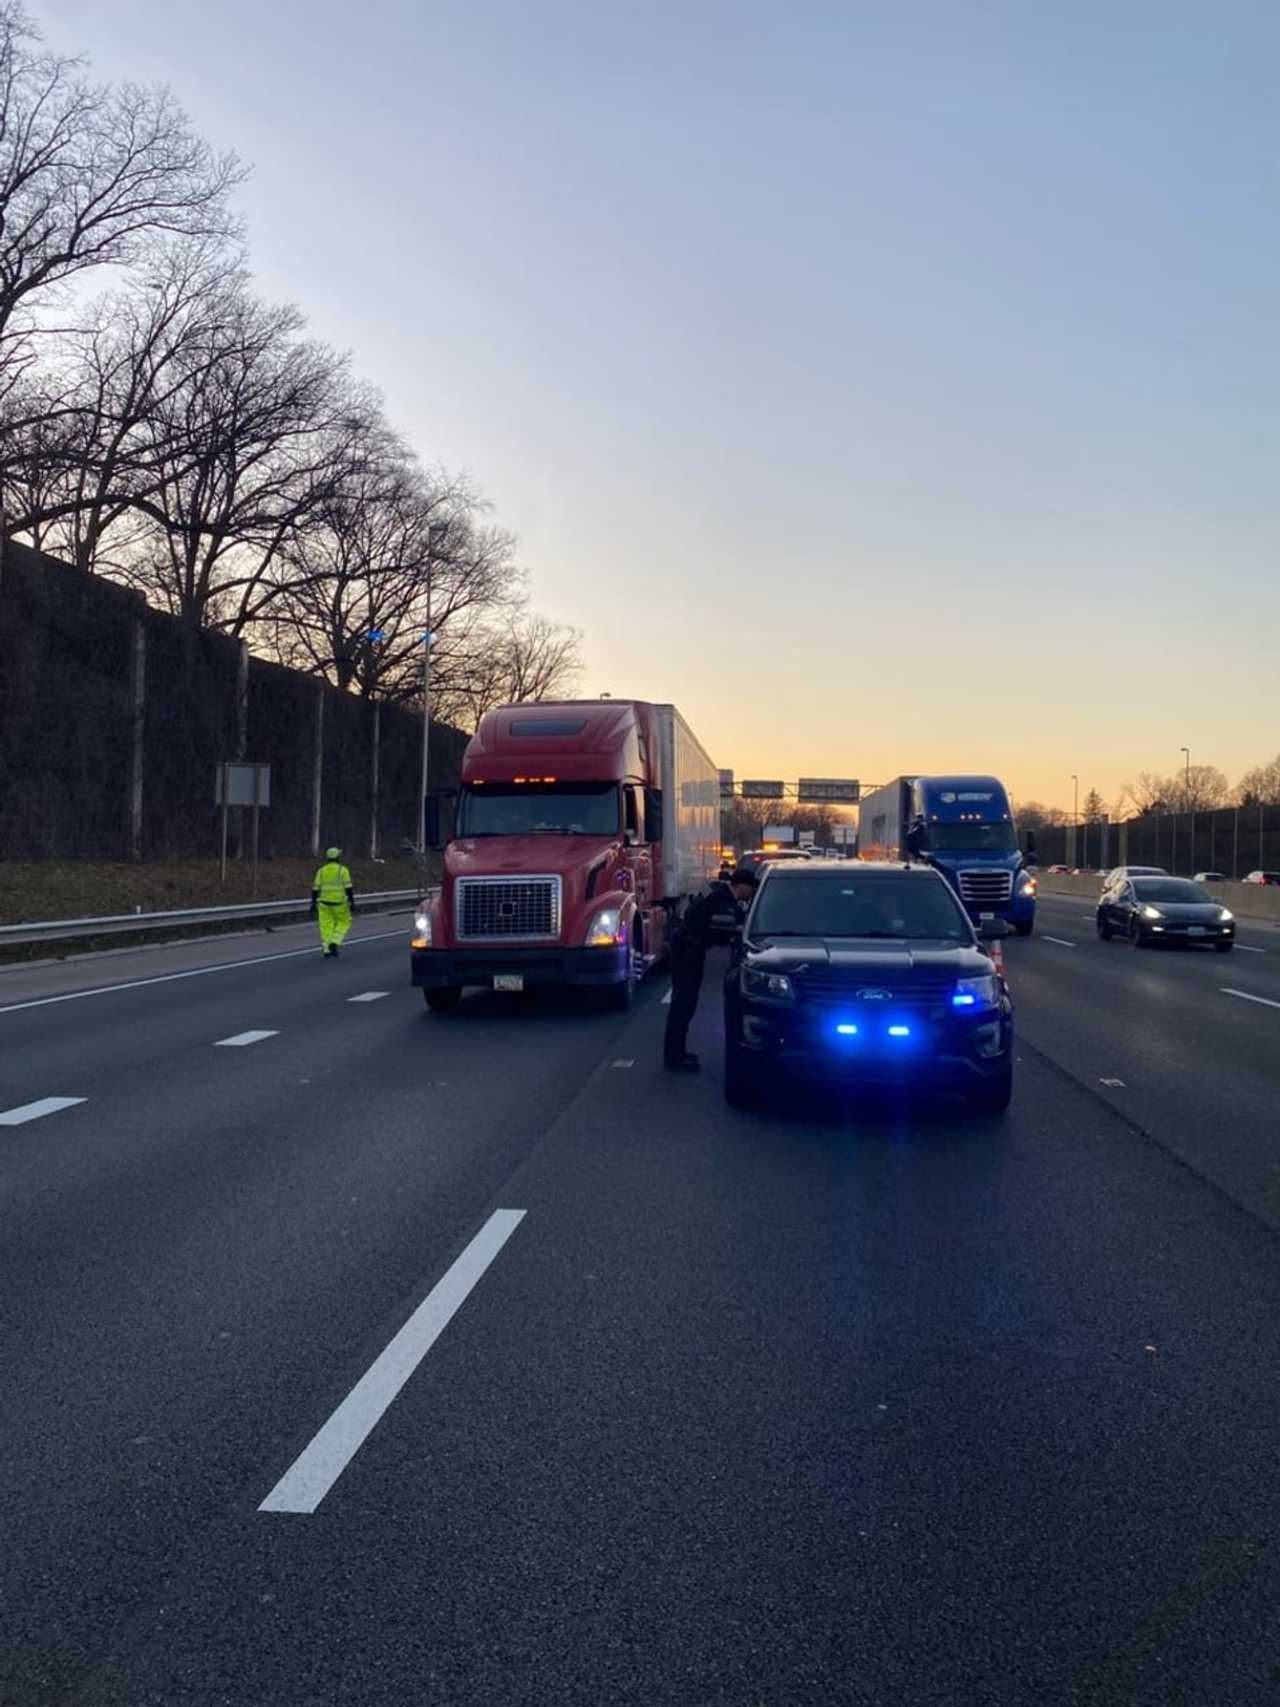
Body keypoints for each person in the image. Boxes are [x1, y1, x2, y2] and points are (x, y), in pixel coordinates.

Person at [664, 866, 758, 1071]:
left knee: (685, 1004)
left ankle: (677, 1052)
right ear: (742, 887)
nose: (752, 894)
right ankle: (674, 1058)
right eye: (751, 889)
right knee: (683, 1004)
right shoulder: (723, 902)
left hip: (688, 946)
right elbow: (726, 931)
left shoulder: (718, 893)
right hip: (689, 949)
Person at [311, 846, 355, 957]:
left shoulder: (321, 871)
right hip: (339, 903)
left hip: (324, 903)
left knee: (326, 926)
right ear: (338, 857)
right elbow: (348, 888)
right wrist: (352, 901)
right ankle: (335, 942)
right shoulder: (343, 870)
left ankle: (326, 949)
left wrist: (312, 903)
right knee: (344, 922)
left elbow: (315, 889)